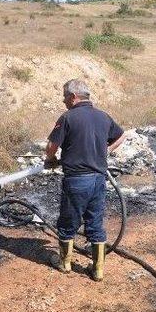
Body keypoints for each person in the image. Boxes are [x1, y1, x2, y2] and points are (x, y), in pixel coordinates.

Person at [44, 79, 126, 281]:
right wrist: (105, 150)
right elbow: (121, 136)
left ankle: (64, 263)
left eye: (65, 96)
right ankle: (97, 270)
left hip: (76, 181)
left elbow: (51, 146)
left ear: (73, 97)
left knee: (67, 223)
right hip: (98, 180)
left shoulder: (68, 117)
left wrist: (51, 159)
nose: (63, 101)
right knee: (95, 223)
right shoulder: (103, 117)